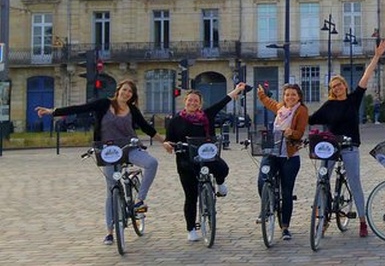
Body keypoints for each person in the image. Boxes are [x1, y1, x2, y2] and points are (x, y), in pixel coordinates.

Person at [36, 80, 163, 245]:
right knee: (112, 189)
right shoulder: (104, 104)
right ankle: (110, 232)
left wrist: (163, 141)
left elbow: (147, 128)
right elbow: (81, 108)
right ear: (118, 90)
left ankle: (139, 200)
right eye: (124, 90)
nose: (126, 93)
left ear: (132, 96)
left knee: (152, 163)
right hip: (107, 151)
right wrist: (52, 112)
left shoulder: (132, 110)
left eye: (130, 92)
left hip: (129, 148)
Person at [308, 39, 385, 238]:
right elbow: (309, 119)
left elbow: (365, 77)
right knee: (322, 179)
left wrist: (376, 56)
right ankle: (322, 218)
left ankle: (362, 221)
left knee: (354, 182)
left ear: (344, 86)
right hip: (331, 148)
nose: (337, 88)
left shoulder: (353, 100)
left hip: (350, 146)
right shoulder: (328, 106)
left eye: (339, 85)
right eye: (333, 87)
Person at [162, 82, 247, 242]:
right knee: (191, 196)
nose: (192, 103)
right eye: (190, 100)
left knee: (222, 168)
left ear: (200, 104)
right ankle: (191, 229)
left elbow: (223, 101)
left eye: (196, 101)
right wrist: (168, 145)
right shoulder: (175, 121)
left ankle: (220, 184)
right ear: (185, 102)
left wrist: (236, 90)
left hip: (207, 156)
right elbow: (169, 140)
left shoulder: (206, 116)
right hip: (186, 161)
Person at [255, 83, 309, 241]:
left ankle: (285, 226)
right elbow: (270, 103)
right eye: (287, 95)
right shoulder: (281, 108)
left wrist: (292, 133)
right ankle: (267, 205)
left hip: (289, 155)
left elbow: (300, 132)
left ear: (299, 96)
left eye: (293, 94)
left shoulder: (301, 110)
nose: (290, 97)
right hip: (272, 151)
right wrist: (262, 96)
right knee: (262, 179)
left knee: (286, 191)